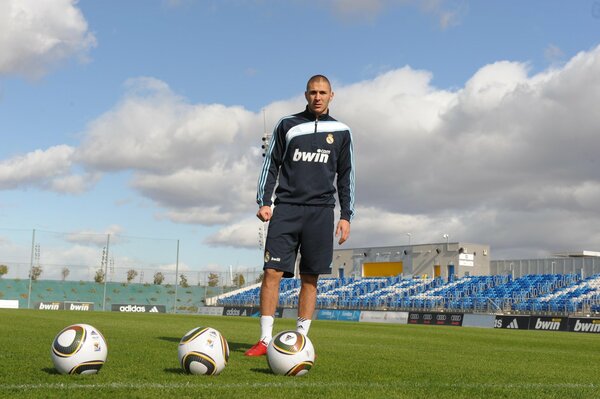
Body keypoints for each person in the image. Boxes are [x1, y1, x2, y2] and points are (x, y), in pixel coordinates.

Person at [245, 74, 355, 356]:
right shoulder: (287, 125)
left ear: (332, 95)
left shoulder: (342, 131)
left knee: (310, 278)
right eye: (312, 92)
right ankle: (265, 340)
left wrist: (346, 215)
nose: (317, 97)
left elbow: (346, 176)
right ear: (305, 95)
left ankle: (300, 339)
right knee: (271, 272)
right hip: (287, 209)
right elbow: (271, 164)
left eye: (322, 92)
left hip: (321, 212)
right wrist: (264, 200)